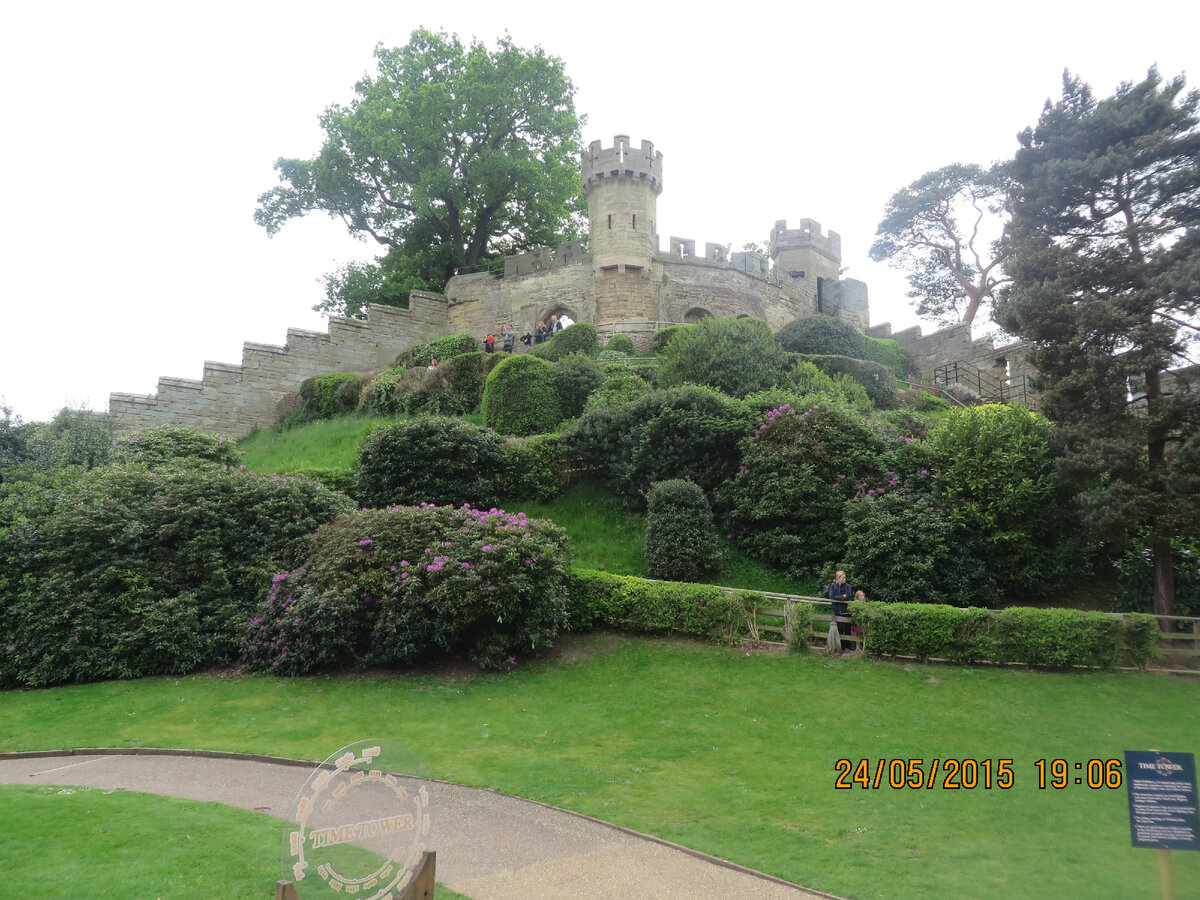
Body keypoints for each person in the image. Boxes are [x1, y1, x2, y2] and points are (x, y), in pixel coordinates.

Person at [828, 570, 852, 638]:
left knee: (847, 629)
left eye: (845, 578)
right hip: (837, 610)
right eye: (842, 578)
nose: (844, 579)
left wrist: (839, 597)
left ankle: (847, 647)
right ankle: (840, 645)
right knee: (839, 629)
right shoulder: (833, 586)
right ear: (838, 578)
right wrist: (842, 597)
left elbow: (848, 596)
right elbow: (831, 596)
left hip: (846, 610)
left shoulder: (848, 586)